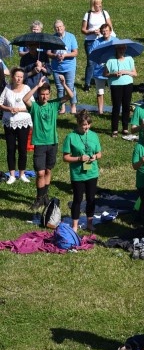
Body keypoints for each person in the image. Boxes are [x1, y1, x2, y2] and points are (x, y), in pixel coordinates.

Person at [23, 76, 73, 209]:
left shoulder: (54, 104)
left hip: (52, 142)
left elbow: (70, 95)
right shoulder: (34, 107)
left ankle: (45, 196)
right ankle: (39, 198)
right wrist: (36, 86)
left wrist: (63, 84)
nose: (44, 97)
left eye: (46, 94)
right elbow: (25, 99)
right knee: (40, 172)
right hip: (39, 143)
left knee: (48, 171)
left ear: (50, 95)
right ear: (38, 95)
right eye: (42, 94)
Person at [61, 110, 101, 231]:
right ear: (78, 124)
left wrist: (95, 157)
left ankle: (89, 223)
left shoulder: (94, 135)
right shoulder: (71, 137)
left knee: (91, 199)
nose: (86, 127)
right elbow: (65, 157)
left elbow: (99, 153)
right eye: (84, 125)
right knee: (77, 199)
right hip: (78, 174)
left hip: (92, 172)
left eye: (88, 124)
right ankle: (74, 225)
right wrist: (79, 158)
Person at [1, 68, 32, 185]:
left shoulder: (27, 88)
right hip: (9, 122)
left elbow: (32, 105)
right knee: (10, 149)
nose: (19, 79)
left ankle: (22, 173)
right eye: (17, 76)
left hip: (23, 122)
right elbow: (0, 103)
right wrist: (9, 108)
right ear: (12, 77)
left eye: (21, 77)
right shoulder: (7, 88)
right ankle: (12, 175)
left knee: (23, 149)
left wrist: (19, 109)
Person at [105, 40, 136, 137]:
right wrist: (114, 74)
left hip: (128, 84)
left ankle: (125, 128)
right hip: (116, 84)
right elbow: (105, 74)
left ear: (126, 48)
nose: (122, 50)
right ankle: (114, 129)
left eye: (123, 48)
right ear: (116, 48)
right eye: (119, 48)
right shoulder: (110, 60)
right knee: (116, 107)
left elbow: (135, 73)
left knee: (126, 106)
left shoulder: (129, 58)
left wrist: (126, 72)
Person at [81, 0, 113, 92]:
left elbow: (110, 26)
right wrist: (91, 32)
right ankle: (87, 84)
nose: (99, 6)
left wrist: (103, 31)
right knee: (91, 62)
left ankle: (106, 79)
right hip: (91, 41)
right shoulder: (88, 14)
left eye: (100, 4)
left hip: (103, 40)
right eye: (97, 4)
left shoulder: (104, 13)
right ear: (92, 5)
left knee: (106, 60)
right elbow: (83, 30)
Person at [49, 20, 78, 114]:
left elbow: (75, 52)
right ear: (54, 29)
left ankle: (73, 105)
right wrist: (55, 56)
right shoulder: (52, 38)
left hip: (69, 67)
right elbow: (48, 52)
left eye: (60, 26)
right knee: (59, 88)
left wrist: (65, 56)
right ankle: (62, 107)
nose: (59, 29)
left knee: (70, 87)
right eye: (57, 27)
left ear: (64, 27)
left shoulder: (71, 37)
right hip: (57, 67)